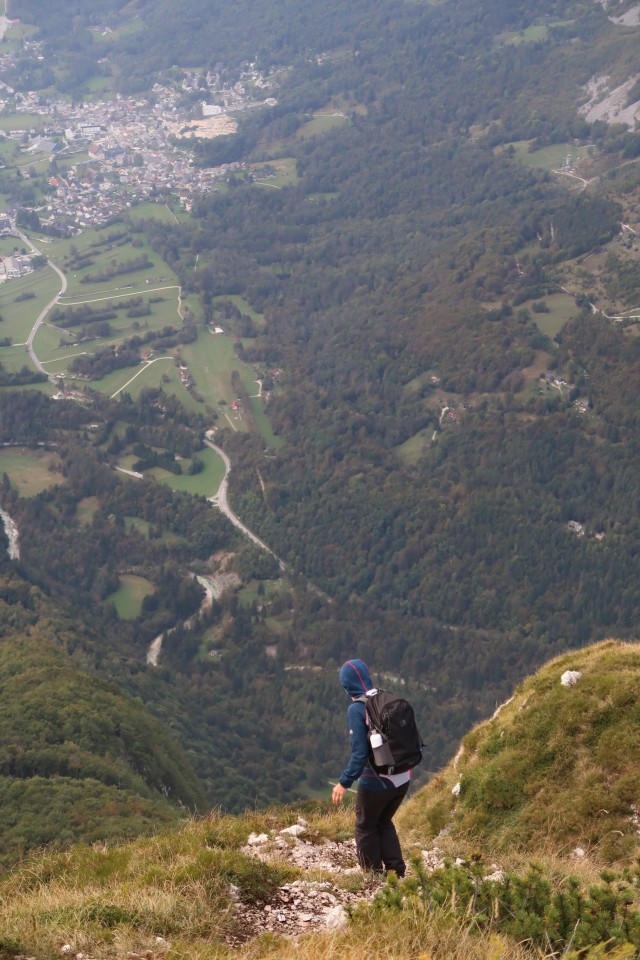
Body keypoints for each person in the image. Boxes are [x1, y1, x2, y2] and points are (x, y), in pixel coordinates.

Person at [331, 658, 411, 877]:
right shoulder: (388, 697)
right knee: (383, 821)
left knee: (366, 826)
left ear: (346, 686)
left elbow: (359, 755)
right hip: (403, 776)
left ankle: (373, 876)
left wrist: (343, 783)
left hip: (378, 780)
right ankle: (396, 872)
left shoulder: (357, 709)